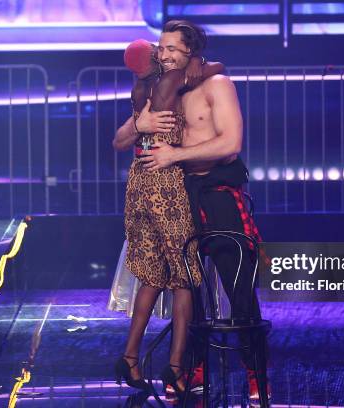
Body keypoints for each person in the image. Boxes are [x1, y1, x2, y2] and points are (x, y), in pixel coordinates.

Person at [137, 20, 271, 406]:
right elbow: (125, 134)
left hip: (219, 192)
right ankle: (189, 369)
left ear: (191, 51)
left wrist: (175, 155)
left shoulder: (218, 85)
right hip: (181, 193)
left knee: (238, 286)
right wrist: (140, 124)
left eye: (172, 49)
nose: (163, 55)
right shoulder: (166, 88)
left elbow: (230, 143)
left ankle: (255, 374)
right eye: (160, 48)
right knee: (188, 287)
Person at [112, 36, 224, 400]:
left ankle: (130, 357)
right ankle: (176, 368)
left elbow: (123, 139)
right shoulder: (171, 80)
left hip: (138, 184)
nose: (164, 54)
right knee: (185, 279)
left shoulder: (140, 87)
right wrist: (199, 63)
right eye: (158, 51)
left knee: (151, 274)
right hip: (166, 183)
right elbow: (214, 70)